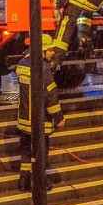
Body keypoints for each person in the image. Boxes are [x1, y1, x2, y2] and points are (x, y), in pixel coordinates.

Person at [16, 34, 66, 191]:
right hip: (39, 122)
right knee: (40, 155)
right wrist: (59, 118)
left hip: (24, 120)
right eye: (50, 50)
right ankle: (40, 182)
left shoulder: (22, 63)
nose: (52, 53)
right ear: (43, 50)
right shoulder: (44, 70)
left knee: (26, 154)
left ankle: (24, 182)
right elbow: (50, 98)